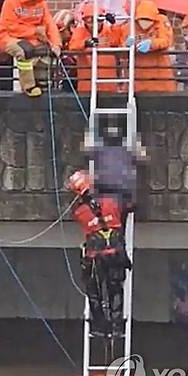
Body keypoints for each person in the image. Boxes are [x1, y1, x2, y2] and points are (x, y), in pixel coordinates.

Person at [65, 121, 147, 337]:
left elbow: (83, 215)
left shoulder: (80, 212)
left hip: (94, 256)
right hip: (115, 253)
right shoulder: (113, 202)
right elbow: (127, 207)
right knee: (115, 289)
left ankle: (99, 327)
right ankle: (117, 325)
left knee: (95, 293)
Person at [0, 0, 62, 97]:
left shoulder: (41, 4)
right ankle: (28, 86)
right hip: (8, 37)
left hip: (33, 38)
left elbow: (50, 24)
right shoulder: (11, 1)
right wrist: (34, 31)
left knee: (47, 53)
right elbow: (10, 26)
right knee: (24, 51)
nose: (36, 2)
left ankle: (42, 82)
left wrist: (56, 44)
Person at [120, 0, 176, 92]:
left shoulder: (162, 22)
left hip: (161, 76)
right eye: (141, 19)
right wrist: (126, 46)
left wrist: (151, 44)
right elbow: (122, 52)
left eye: (148, 19)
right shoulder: (128, 28)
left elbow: (166, 41)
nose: (145, 23)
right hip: (138, 77)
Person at [68, 2, 121, 92]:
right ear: (84, 21)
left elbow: (118, 41)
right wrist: (85, 43)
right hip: (87, 83)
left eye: (97, 20)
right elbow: (72, 46)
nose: (93, 24)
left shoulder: (109, 31)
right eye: (89, 21)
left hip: (108, 81)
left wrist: (114, 24)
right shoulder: (80, 32)